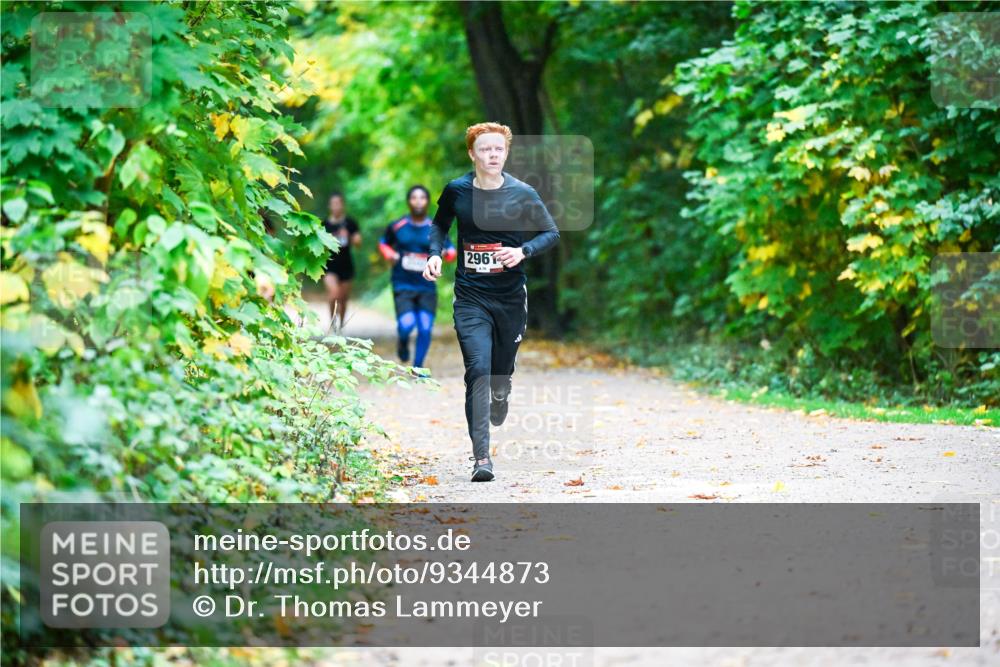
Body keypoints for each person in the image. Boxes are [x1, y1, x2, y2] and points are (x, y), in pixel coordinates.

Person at [423, 122, 560, 482]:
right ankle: (481, 457)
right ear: (472, 153)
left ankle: (503, 390)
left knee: (499, 372)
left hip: (511, 299)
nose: (492, 155)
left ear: (506, 152)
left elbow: (551, 232)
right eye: (485, 149)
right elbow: (439, 225)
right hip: (471, 298)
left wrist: (523, 250)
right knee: (478, 371)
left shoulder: (523, 193)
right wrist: (434, 254)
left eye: (498, 149)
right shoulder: (457, 191)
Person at [379, 185, 457, 371]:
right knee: (406, 325)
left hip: (427, 285)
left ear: (428, 201)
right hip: (402, 283)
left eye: (422, 197)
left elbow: (452, 250)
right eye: (414, 197)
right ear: (409, 201)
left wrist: (446, 254)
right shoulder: (397, 226)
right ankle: (403, 342)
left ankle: (418, 367)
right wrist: (389, 254)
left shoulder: (435, 228)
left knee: (424, 327)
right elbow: (383, 243)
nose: (418, 201)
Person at [323, 192, 361, 329]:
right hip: (330, 265)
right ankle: (333, 322)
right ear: (329, 206)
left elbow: (358, 243)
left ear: (343, 205)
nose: (336, 206)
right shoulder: (324, 224)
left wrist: (349, 237)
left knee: (343, 299)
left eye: (338, 203)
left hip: (346, 265)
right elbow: (318, 247)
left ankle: (341, 325)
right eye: (333, 204)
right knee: (334, 295)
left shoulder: (350, 223)